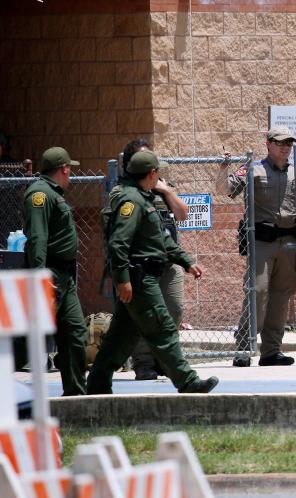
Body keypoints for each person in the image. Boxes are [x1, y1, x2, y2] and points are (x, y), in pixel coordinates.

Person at [87, 151, 218, 394]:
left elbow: (161, 240)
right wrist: (123, 280)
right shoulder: (131, 202)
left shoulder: (143, 198)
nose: (160, 175)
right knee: (163, 328)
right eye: (158, 171)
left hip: (144, 276)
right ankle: (188, 382)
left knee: (120, 338)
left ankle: (96, 383)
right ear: (151, 174)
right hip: (139, 278)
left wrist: (186, 261)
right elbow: (118, 244)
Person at [220, 126, 296, 367]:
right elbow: (227, 190)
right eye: (279, 142)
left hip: (289, 243)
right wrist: (223, 168)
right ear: (268, 143)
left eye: (288, 143)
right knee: (257, 291)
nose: (284, 147)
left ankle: (271, 351)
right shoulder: (253, 168)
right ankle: (244, 349)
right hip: (262, 242)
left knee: (281, 296)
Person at [115, 139, 190, 381]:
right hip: (142, 265)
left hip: (168, 262)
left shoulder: (161, 188)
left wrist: (166, 190)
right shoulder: (126, 193)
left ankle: (162, 361)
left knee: (174, 310)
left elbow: (182, 214)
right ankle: (144, 362)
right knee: (143, 316)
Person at [20, 147, 87, 396]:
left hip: (64, 277)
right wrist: (40, 278)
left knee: (75, 332)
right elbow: (38, 238)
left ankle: (76, 394)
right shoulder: (40, 195)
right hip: (50, 274)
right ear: (64, 168)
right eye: (71, 169)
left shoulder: (52, 193)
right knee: (28, 337)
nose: (71, 174)